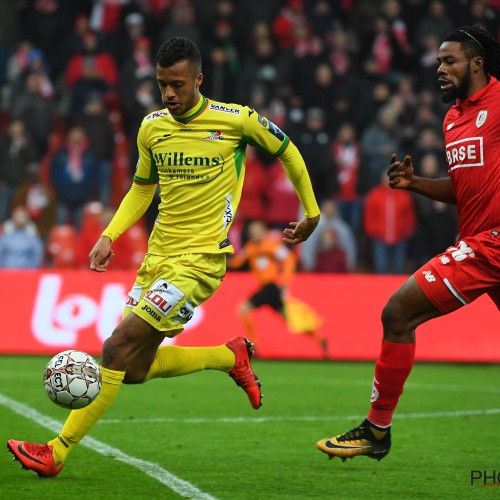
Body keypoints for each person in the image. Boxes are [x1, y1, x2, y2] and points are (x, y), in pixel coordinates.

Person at [7, 36, 320, 477]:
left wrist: (312, 211)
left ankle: (56, 452)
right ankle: (229, 357)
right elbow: (142, 186)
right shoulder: (152, 127)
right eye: (162, 85)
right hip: (158, 259)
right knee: (134, 369)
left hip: (200, 262)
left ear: (198, 80)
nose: (169, 94)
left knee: (116, 347)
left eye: (177, 85)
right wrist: (110, 234)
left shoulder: (235, 121)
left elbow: (287, 150)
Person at [317, 25, 500, 461]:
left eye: (449, 60)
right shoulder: (453, 118)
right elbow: (465, 187)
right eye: (437, 61)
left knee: (397, 312)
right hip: (477, 240)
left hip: (491, 244)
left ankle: (377, 430)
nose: (439, 68)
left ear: (476, 62)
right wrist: (416, 183)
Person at [229, 219, 327, 357]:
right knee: (290, 319)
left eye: (257, 230)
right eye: (252, 231)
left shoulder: (272, 245)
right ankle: (320, 339)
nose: (254, 233)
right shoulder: (250, 248)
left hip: (272, 287)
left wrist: (284, 282)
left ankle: (253, 347)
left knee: (243, 309)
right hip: (266, 288)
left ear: (264, 231)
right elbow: (236, 263)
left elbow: (290, 259)